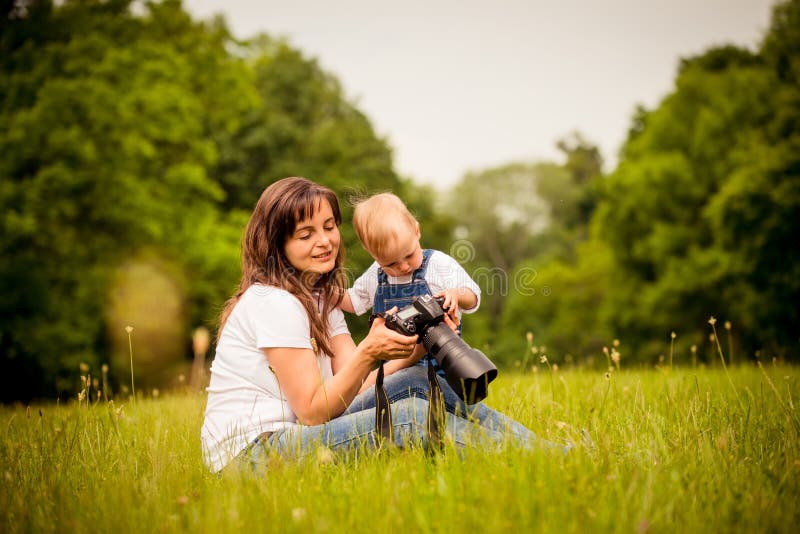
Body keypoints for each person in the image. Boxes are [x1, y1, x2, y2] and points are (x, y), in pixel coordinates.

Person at [200, 177, 541, 474]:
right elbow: (312, 412)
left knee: (419, 378)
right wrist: (369, 350)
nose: (324, 241)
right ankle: (529, 461)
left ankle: (546, 452)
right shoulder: (274, 302)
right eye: (306, 234)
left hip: (299, 433)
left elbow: (355, 387)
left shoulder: (321, 299)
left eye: (329, 227)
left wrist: (413, 352)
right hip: (253, 451)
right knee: (410, 418)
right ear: (278, 244)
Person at [338, 193, 544, 444]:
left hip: (443, 367)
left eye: (409, 256)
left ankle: (524, 442)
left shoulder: (438, 264)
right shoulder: (376, 275)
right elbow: (353, 301)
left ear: (417, 231)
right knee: (422, 426)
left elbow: (473, 296)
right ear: (371, 253)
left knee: (468, 415)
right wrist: (322, 291)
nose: (403, 267)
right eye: (391, 263)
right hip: (395, 373)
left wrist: (455, 294)